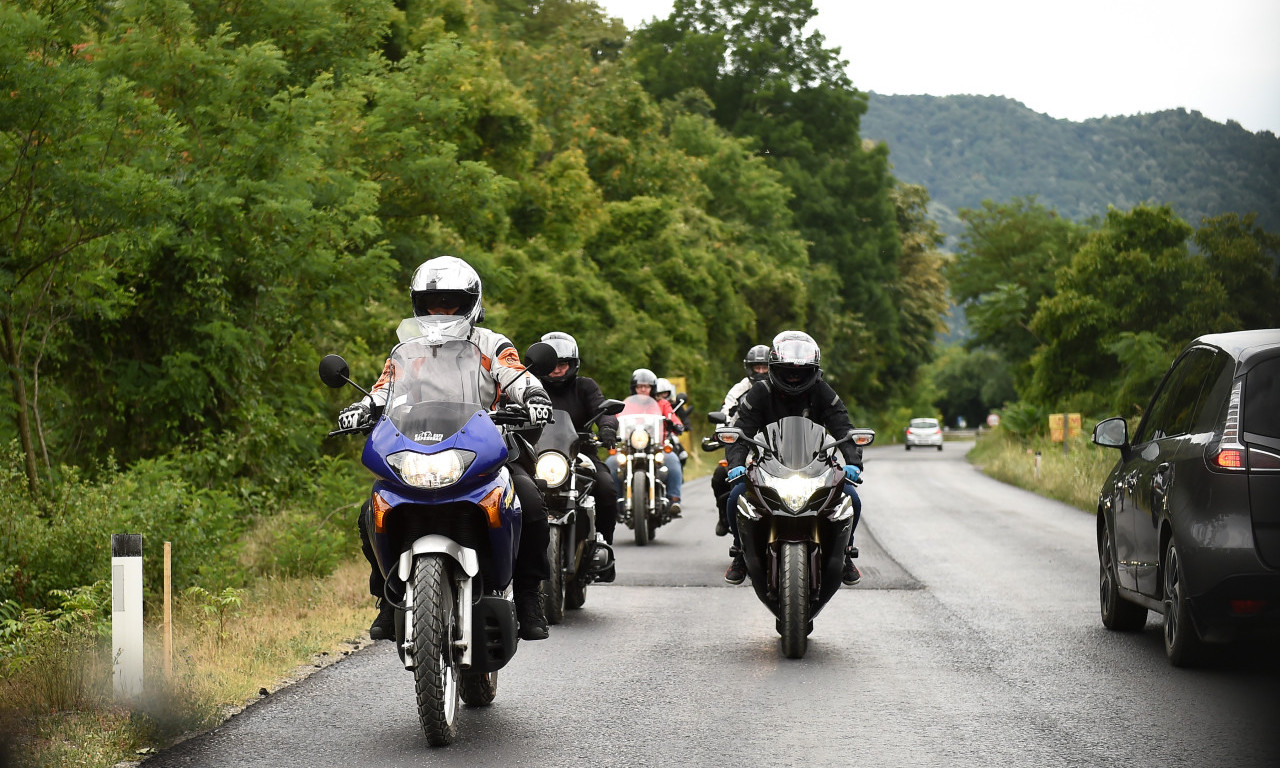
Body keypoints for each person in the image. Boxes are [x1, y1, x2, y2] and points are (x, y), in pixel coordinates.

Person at [339, 255, 554, 642]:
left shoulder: (491, 343)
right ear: (418, 305)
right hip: (418, 445)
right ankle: (388, 599)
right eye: (432, 303)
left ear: (471, 302)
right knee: (371, 509)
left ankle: (527, 596)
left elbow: (515, 374)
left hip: (485, 446)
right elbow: (383, 390)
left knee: (531, 502)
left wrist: (534, 394)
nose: (442, 311)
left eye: (451, 302)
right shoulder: (406, 350)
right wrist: (360, 408)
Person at [721, 331, 864, 586]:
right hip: (767, 465)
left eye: (801, 371)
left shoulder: (822, 391)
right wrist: (736, 465)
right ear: (775, 368)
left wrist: (853, 462)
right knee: (735, 497)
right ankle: (741, 552)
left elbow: (843, 427)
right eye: (788, 371)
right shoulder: (760, 392)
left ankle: (845, 554)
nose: (794, 376)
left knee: (851, 498)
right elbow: (742, 432)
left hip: (816, 466)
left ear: (814, 370)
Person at [534, 331, 621, 580]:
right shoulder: (531, 387)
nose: (557, 370)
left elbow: (604, 409)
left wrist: (606, 428)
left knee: (605, 488)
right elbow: (510, 406)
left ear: (572, 364)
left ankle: (602, 542)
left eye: (563, 364)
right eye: (552, 364)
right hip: (537, 458)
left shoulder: (585, 386)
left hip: (581, 456)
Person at [710, 344, 770, 537]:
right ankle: (727, 520)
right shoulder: (739, 390)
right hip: (747, 448)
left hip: (776, 449)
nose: (760, 371)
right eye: (757, 367)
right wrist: (720, 433)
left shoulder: (782, 388)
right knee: (721, 475)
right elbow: (726, 414)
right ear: (749, 368)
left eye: (764, 367)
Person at [607, 368, 685, 515]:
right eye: (639, 386)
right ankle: (615, 502)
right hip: (629, 447)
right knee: (610, 464)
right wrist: (609, 426)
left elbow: (671, 415)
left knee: (673, 461)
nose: (643, 389)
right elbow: (615, 418)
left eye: (647, 386)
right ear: (634, 388)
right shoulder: (625, 404)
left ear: (652, 388)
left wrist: (676, 424)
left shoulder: (662, 404)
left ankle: (674, 500)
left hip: (656, 447)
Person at [654, 377, 689, 465]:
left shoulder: (670, 404)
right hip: (650, 435)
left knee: (681, 454)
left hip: (668, 433)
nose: (662, 396)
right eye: (659, 394)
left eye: (665, 393)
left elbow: (676, 416)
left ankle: (678, 474)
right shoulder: (650, 404)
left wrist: (679, 425)